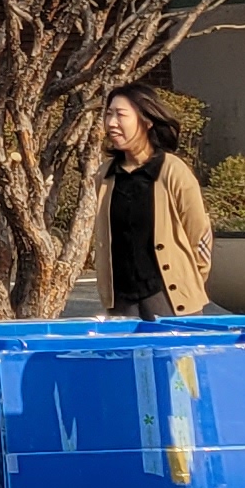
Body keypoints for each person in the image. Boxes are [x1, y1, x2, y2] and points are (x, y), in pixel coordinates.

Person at [99, 85, 213, 319]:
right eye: (108, 114)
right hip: (122, 303)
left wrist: (189, 281)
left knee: (177, 357)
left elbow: (199, 235)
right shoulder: (105, 175)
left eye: (120, 115)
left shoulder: (172, 171)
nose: (111, 123)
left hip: (169, 300)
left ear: (147, 120)